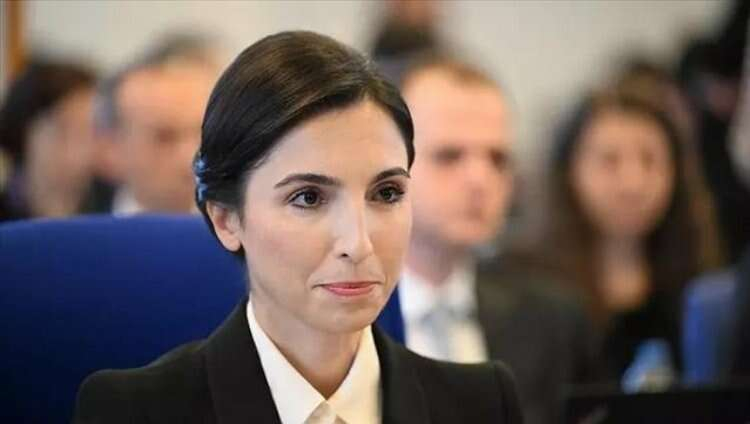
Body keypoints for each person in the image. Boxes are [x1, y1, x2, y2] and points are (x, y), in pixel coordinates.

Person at [73, 31, 522, 424]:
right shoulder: (135, 410)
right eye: (308, 198)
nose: (358, 243)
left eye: (386, 193)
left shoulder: (482, 403)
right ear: (226, 218)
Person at [394, 56, 595, 424]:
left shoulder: (553, 321)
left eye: (497, 159)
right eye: (449, 156)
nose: (479, 179)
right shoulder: (338, 323)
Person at [536, 91, 717, 384]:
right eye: (610, 161)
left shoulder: (703, 286)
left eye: (649, 161)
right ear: (569, 171)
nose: (633, 184)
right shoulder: (530, 287)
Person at [90, 35, 217, 215]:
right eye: (164, 138)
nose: (190, 158)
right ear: (110, 147)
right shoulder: (74, 229)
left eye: (205, 134)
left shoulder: (246, 229)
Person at [0, 59, 96, 221]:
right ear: (23, 133)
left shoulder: (112, 214)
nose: (79, 155)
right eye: (63, 132)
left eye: (89, 132)